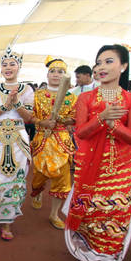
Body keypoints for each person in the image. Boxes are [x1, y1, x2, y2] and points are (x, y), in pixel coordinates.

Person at [64, 45, 131, 261]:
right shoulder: (85, 98)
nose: (102, 67)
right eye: (99, 62)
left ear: (124, 66)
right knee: (93, 213)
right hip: (90, 167)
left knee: (118, 212)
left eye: (109, 61)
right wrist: (102, 119)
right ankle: (90, 249)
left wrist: (113, 125)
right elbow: (81, 132)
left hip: (121, 167)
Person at [0, 47, 34, 240]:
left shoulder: (27, 89)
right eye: (4, 64)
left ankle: (7, 224)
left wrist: (16, 104)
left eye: (12, 64)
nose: (8, 67)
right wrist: (5, 106)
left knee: (16, 180)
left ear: (19, 67)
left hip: (17, 139)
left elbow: (29, 117)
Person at [29, 56, 77, 230]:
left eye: (61, 72)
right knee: (38, 177)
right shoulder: (36, 95)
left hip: (61, 142)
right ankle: (37, 192)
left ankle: (54, 214)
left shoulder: (72, 98)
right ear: (47, 74)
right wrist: (41, 123)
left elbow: (75, 117)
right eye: (53, 71)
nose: (56, 75)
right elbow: (30, 116)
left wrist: (64, 120)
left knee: (63, 180)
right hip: (42, 140)